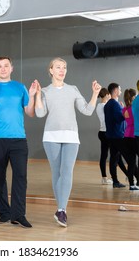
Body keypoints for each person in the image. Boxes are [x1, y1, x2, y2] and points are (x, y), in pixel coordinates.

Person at [35, 57, 101, 227]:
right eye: (58, 67)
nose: (62, 70)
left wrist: (94, 94)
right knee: (57, 173)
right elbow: (40, 114)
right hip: (51, 137)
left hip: (71, 137)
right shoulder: (44, 91)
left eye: (64, 67)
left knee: (67, 172)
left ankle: (62, 210)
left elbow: (87, 110)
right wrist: (36, 95)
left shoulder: (73, 89)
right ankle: (60, 208)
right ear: (51, 70)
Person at [0, 56, 37, 228]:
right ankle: (5, 213)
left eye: (6, 65)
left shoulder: (19, 87)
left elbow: (30, 112)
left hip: (18, 138)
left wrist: (33, 95)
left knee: (20, 176)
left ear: (11, 68)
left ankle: (18, 214)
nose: (3, 68)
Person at [104, 83, 137, 189]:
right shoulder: (114, 104)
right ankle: (135, 180)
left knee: (114, 159)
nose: (121, 91)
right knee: (128, 159)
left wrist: (122, 110)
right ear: (115, 91)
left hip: (111, 135)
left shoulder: (108, 104)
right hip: (118, 136)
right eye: (120, 89)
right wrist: (124, 112)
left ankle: (116, 181)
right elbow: (119, 118)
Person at [96, 88, 128, 185]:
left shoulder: (99, 106)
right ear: (106, 95)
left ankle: (105, 178)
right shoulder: (106, 106)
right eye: (108, 95)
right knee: (116, 157)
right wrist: (121, 110)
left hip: (102, 132)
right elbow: (114, 118)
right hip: (108, 133)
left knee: (106, 155)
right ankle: (127, 175)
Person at [122, 88, 139, 190]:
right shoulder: (134, 109)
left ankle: (132, 184)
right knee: (136, 162)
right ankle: (137, 183)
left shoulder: (124, 109)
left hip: (126, 137)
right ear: (133, 97)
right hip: (134, 137)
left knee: (131, 162)